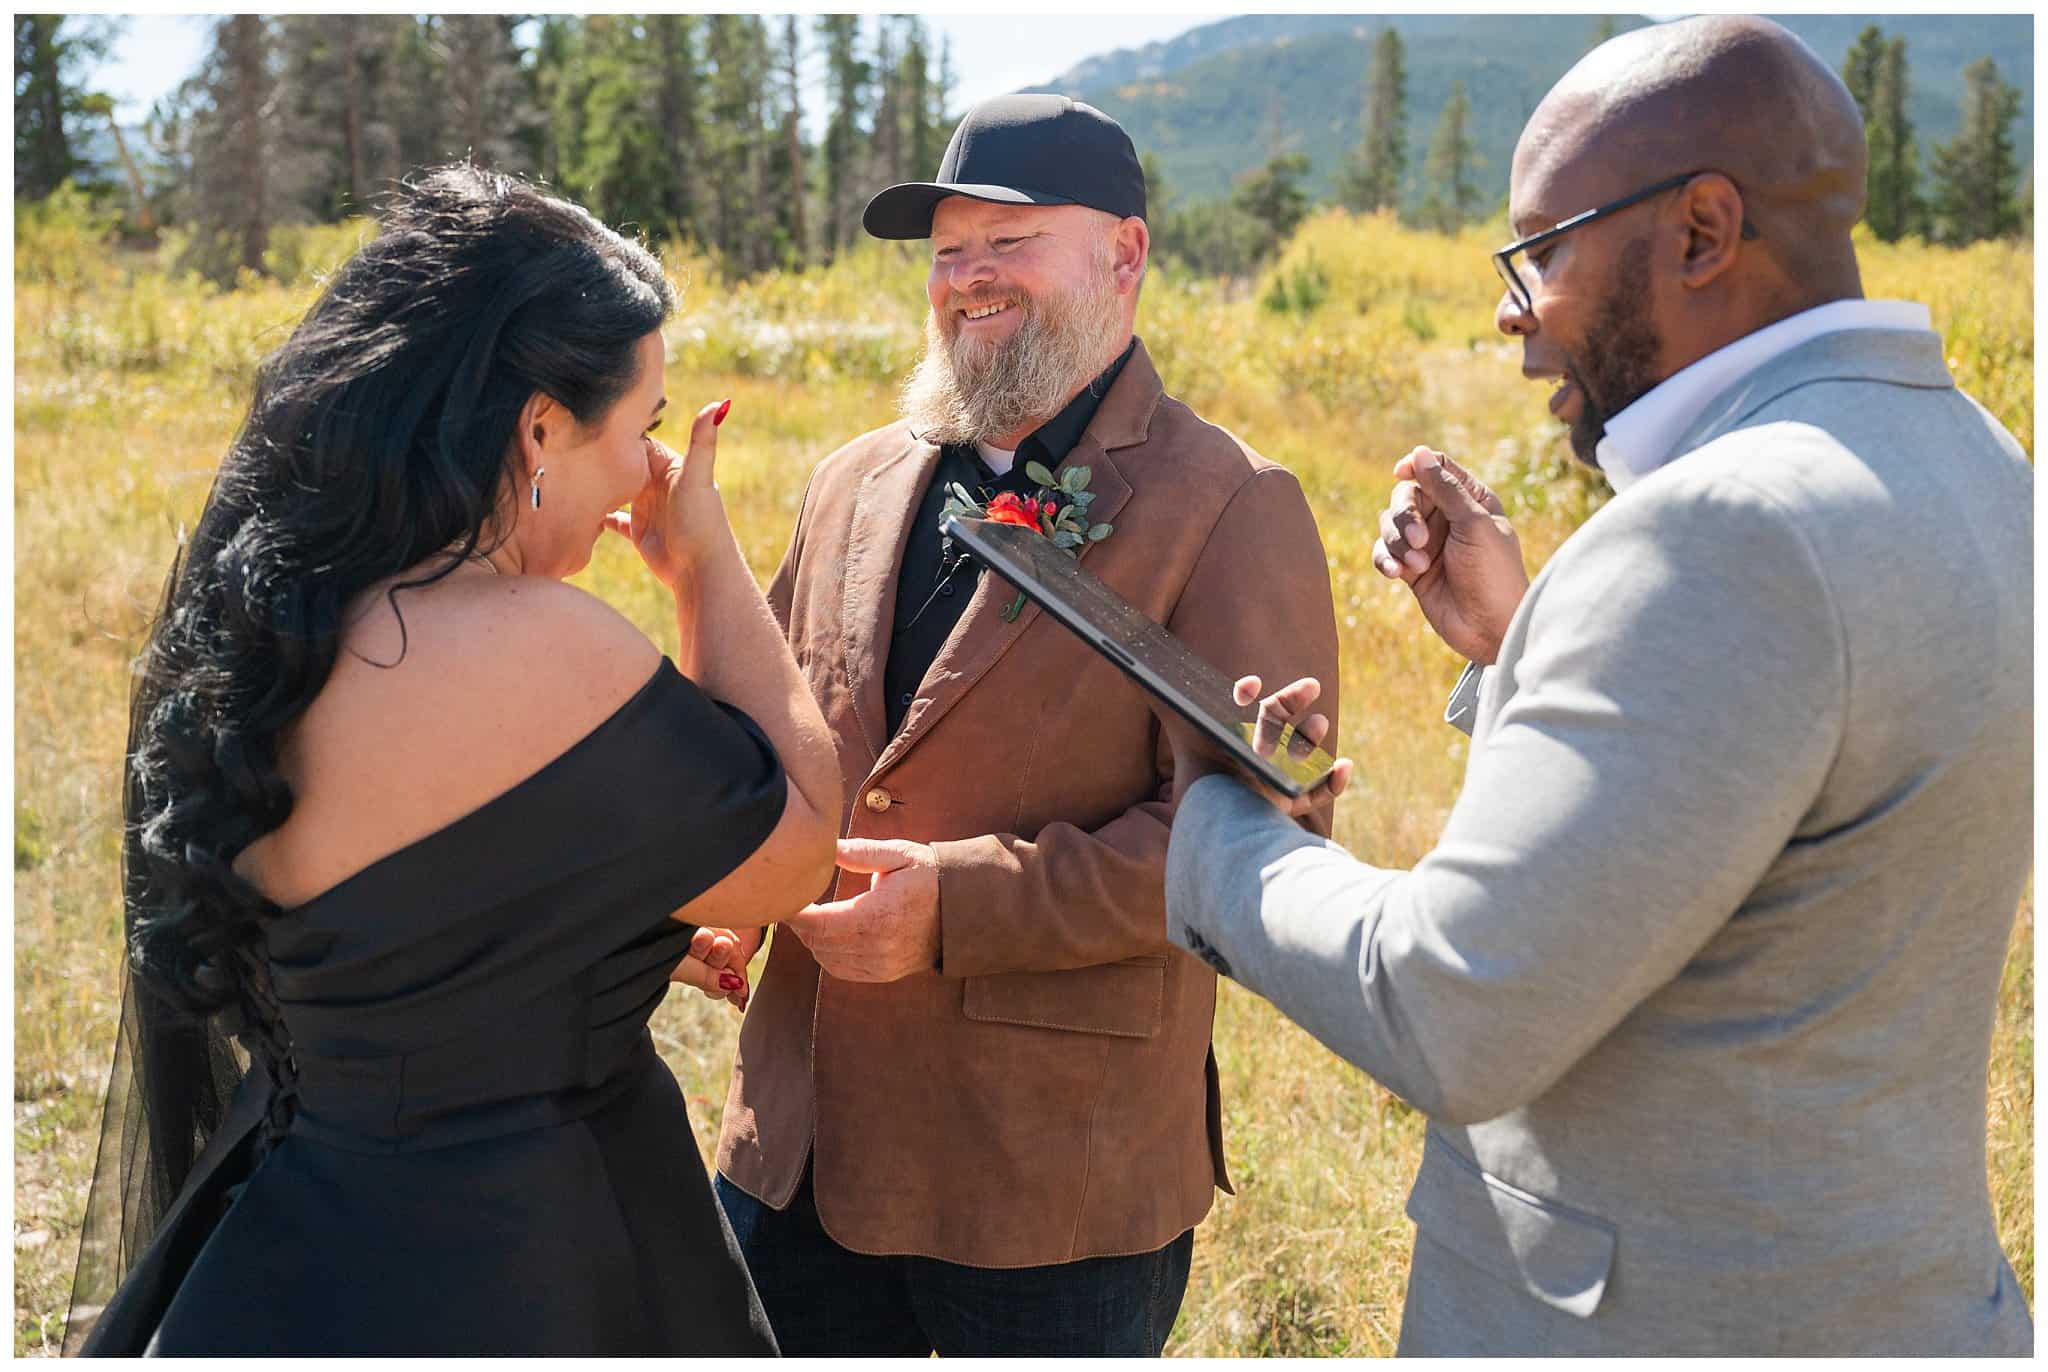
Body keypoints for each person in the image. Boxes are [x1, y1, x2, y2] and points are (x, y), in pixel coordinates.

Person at [1161, 15, 2033, 1356]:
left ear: (1699, 230)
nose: (1513, 312)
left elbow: (1450, 1008)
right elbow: (1790, 820)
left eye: (1541, 252)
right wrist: (1525, 648)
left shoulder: (1721, 529)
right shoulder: (1971, 455)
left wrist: (1220, 828)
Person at [66, 165, 843, 1355]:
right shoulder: (535, 645)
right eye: (640, 427)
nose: (648, 471)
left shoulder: (274, 617)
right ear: (539, 426)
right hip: (513, 1251)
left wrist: (590, 942)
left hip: (291, 1233)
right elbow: (794, 846)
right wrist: (706, 568)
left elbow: (400, 932)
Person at [700, 95, 1342, 1356]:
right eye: (946, 252)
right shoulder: (849, 478)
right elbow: (764, 731)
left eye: (1010, 240)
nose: (967, 278)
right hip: (798, 1141)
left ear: (1124, 255)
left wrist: (959, 907)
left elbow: (1273, 827)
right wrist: (703, 887)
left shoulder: (1231, 501)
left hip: (1053, 1180)